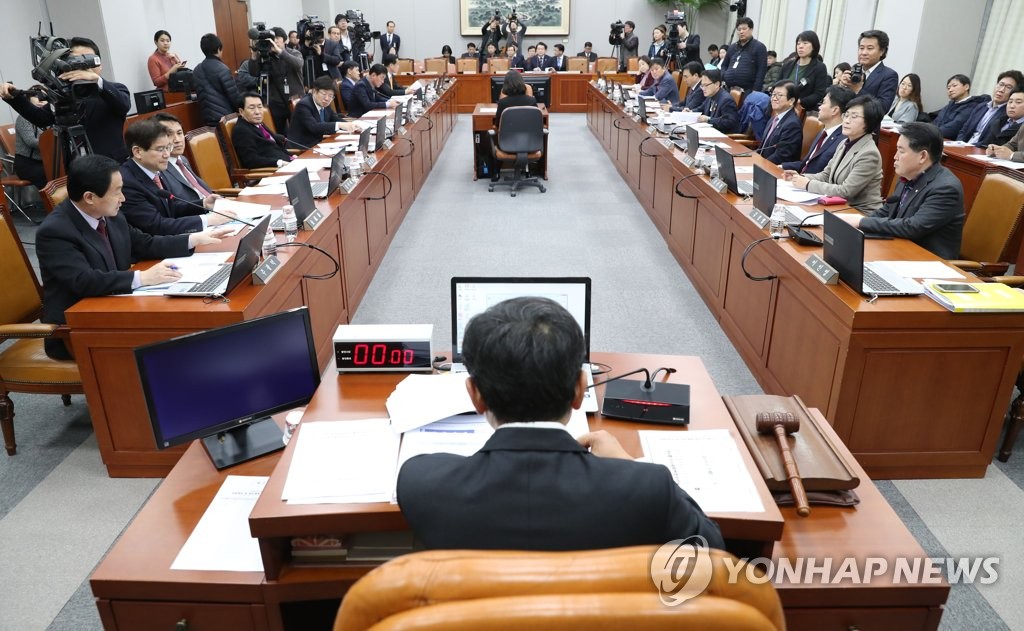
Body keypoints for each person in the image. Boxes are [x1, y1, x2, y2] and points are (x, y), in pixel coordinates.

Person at [396, 296, 725, 551]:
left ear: (475, 395)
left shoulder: (421, 482)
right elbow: (712, 552)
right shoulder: (648, 487)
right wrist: (629, 464)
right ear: (580, 390)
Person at [35, 155, 229, 359]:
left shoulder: (109, 214)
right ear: (90, 197)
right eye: (117, 191)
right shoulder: (55, 231)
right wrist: (142, 278)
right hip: (77, 330)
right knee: (175, 344)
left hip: (116, 306)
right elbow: (84, 280)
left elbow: (145, 244)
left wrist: (194, 239)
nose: (123, 198)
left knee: (188, 327)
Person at [842, 122, 964, 259]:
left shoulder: (946, 188)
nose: (895, 157)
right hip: (898, 248)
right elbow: (887, 211)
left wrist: (862, 222)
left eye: (901, 151)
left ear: (922, 156)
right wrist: (855, 224)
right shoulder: (909, 175)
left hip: (927, 260)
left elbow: (914, 227)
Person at [0, 37, 131, 163]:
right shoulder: (64, 94)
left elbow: (123, 104)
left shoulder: (115, 89)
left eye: (88, 60)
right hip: (78, 165)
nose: (83, 65)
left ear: (99, 65)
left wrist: (97, 81)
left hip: (113, 164)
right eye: (76, 61)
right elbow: (40, 118)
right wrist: (14, 97)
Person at [119, 119, 232, 236]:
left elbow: (170, 207)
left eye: (168, 147)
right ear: (138, 152)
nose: (167, 155)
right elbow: (156, 225)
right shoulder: (127, 182)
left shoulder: (153, 169)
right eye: (160, 149)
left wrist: (203, 204)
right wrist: (207, 220)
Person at [782, 94, 884, 212]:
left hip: (858, 212)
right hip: (838, 207)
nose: (847, 120)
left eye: (854, 117)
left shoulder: (869, 153)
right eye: (846, 115)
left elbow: (846, 191)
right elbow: (826, 175)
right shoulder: (844, 143)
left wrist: (808, 184)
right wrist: (800, 177)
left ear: (869, 122)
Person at [780, 85, 854, 175]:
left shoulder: (843, 141)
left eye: (823, 103)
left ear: (834, 110)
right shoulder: (823, 132)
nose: (819, 107)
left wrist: (802, 180)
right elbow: (807, 164)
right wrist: (782, 166)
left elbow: (826, 175)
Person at [248, 27, 305, 135]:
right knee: (278, 133)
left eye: (277, 38)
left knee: (299, 132)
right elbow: (253, 72)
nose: (274, 40)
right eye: (272, 38)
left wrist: (279, 51)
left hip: (294, 99)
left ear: (285, 40)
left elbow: (298, 64)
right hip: (276, 101)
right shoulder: (266, 56)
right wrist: (254, 54)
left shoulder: (294, 53)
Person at [152, 112, 215, 205]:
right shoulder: (157, 168)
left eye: (179, 133)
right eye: (169, 135)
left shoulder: (182, 159)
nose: (177, 140)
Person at [956, 70, 1024, 146]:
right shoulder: (981, 106)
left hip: (979, 148)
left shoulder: (1008, 114)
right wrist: (958, 144)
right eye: (1000, 84)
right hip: (963, 146)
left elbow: (989, 141)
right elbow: (964, 130)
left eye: (1008, 87)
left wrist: (969, 147)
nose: (1001, 90)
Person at [289, 76, 358, 150]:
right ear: (314, 91)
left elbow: (334, 118)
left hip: (319, 144)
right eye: (324, 94)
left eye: (330, 96)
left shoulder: (324, 104)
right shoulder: (304, 105)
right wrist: (340, 125)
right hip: (303, 148)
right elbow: (314, 127)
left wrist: (352, 126)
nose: (327, 98)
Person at [838, 30, 899, 109]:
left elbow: (883, 107)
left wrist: (858, 90)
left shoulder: (889, 75)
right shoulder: (855, 69)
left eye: (870, 48)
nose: (863, 53)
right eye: (861, 48)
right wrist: (842, 87)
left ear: (882, 51)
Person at [193, 33, 243, 128]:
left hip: (207, 118)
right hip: (225, 118)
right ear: (219, 49)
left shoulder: (196, 70)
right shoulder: (222, 68)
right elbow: (234, 97)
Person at [232, 93, 294, 168]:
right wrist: (279, 163)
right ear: (241, 111)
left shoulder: (258, 123)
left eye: (260, 107)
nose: (257, 112)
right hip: (276, 169)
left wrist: (293, 156)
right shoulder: (242, 131)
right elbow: (251, 160)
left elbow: (276, 146)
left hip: (288, 163)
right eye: (252, 108)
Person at [779, 30, 830, 112]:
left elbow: (819, 94)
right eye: (798, 44)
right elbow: (778, 85)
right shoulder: (787, 65)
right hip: (782, 107)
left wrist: (799, 101)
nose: (800, 46)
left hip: (803, 110)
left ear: (814, 46)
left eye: (805, 43)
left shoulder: (820, 67)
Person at [932, 75, 987, 140]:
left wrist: (930, 132)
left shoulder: (973, 106)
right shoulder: (950, 105)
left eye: (954, 86)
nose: (950, 90)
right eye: (948, 88)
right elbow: (936, 122)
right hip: (938, 137)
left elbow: (953, 128)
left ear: (966, 87)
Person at [721, 17, 768, 95]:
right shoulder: (732, 47)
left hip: (748, 91)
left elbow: (761, 71)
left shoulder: (759, 47)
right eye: (739, 29)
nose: (741, 32)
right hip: (728, 89)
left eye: (744, 29)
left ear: (751, 29)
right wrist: (724, 75)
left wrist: (755, 92)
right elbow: (724, 65)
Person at [760, 81, 803, 165]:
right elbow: (762, 148)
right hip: (763, 164)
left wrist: (760, 164)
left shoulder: (792, 124)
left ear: (791, 101)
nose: (774, 98)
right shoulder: (774, 118)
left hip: (776, 169)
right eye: (773, 94)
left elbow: (781, 156)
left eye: (779, 95)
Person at [13, 87, 48, 189]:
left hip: (45, 161)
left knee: (65, 170)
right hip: (27, 164)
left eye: (44, 96)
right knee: (48, 174)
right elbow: (31, 141)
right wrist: (52, 144)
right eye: (36, 96)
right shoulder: (23, 118)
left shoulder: (50, 117)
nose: (40, 99)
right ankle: (51, 199)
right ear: (28, 100)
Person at [697, 68, 739, 133]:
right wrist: (690, 112)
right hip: (709, 132)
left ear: (717, 84)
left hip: (722, 135)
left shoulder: (726, 100)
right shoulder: (710, 96)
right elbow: (701, 108)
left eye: (706, 85)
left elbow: (730, 122)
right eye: (702, 85)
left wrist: (709, 120)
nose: (703, 89)